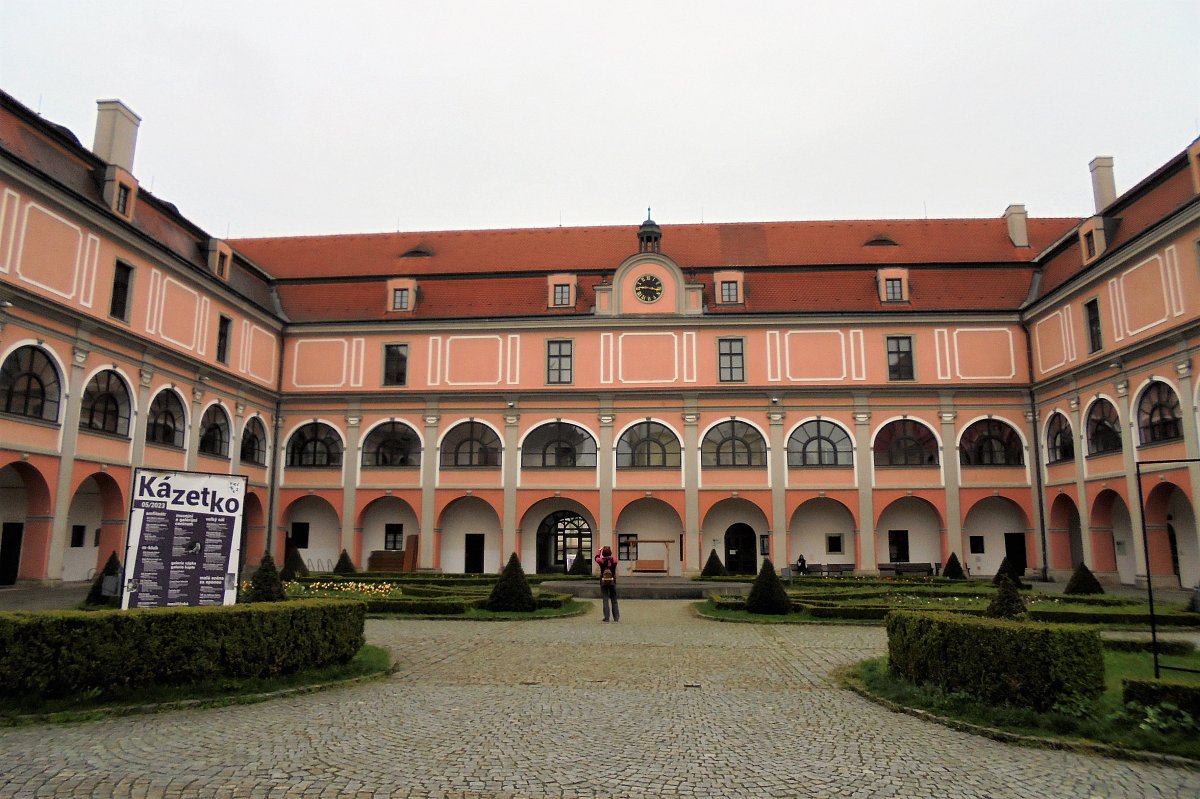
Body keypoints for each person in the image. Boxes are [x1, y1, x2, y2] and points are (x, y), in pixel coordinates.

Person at [594, 545, 620, 622]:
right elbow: (616, 561)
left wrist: (599, 550)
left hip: (603, 581)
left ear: (603, 553)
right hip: (612, 581)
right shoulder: (614, 560)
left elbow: (596, 558)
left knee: (605, 599)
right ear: (610, 552)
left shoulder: (601, 560)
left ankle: (607, 617)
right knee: (614, 600)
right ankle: (616, 617)